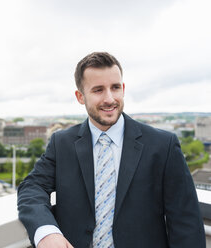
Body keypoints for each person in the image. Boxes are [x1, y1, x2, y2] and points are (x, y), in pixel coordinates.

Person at [17, 52, 205, 248]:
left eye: (115, 88)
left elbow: (187, 223)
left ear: (123, 89)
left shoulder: (163, 146)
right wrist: (47, 232)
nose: (109, 99)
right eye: (98, 90)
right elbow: (32, 187)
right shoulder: (62, 143)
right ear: (80, 97)